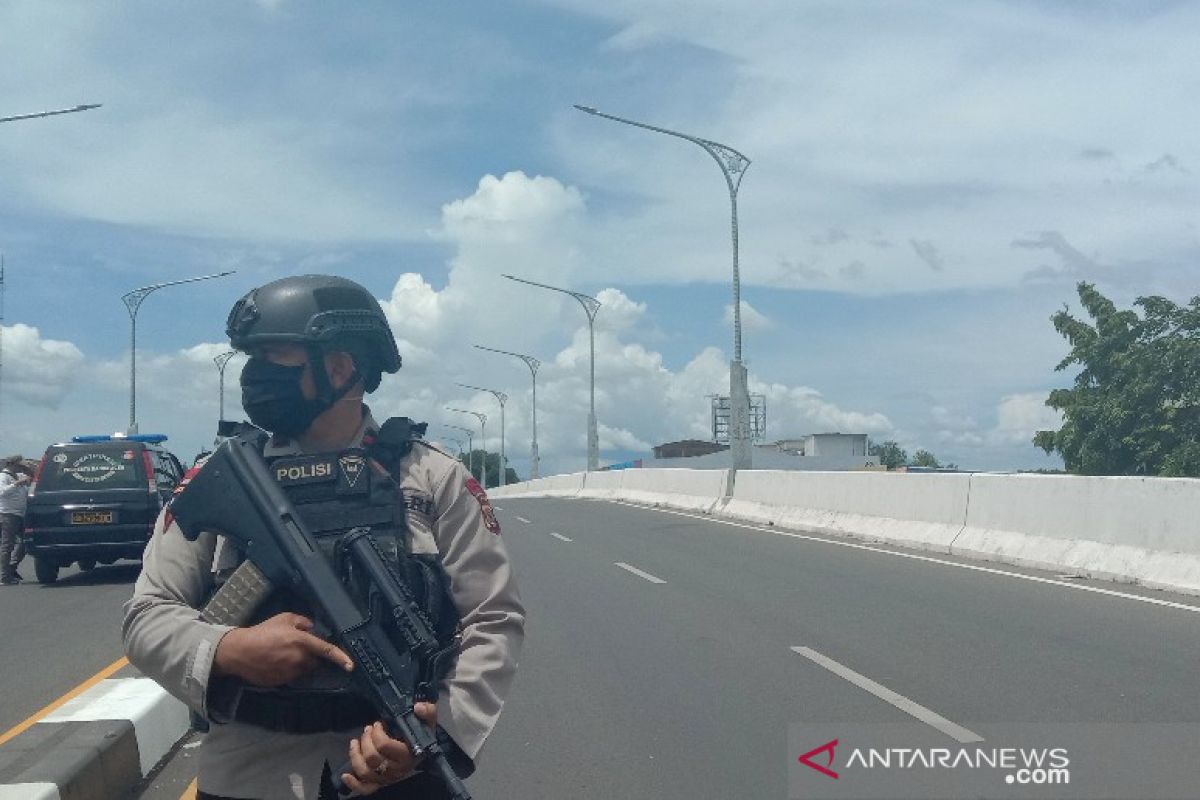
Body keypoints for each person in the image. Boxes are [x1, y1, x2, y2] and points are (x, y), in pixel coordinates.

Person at [123, 275, 525, 800]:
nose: (254, 377)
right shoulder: (218, 480)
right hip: (247, 775)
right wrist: (227, 648)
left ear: (339, 367)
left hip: (397, 770)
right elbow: (146, 615)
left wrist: (439, 734)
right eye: (252, 359)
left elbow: (492, 619)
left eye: (273, 358)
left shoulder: (431, 477)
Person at [0, 454, 30, 585]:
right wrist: (17, 484)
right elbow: (2, 492)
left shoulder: (17, 476)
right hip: (8, 514)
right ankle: (4, 576)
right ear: (11, 464)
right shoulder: (3, 477)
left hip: (20, 514)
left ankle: (11, 568)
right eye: (19, 465)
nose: (20, 468)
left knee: (26, 542)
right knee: (7, 545)